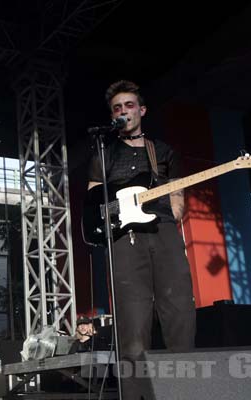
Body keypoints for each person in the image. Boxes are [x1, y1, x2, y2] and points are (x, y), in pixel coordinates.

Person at [87, 80, 196, 399]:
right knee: (131, 322)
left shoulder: (161, 151)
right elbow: (94, 198)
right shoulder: (103, 153)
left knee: (178, 311)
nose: (123, 111)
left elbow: (177, 192)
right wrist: (115, 215)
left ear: (142, 110)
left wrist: (172, 213)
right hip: (124, 239)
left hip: (162, 232)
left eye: (129, 105)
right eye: (117, 108)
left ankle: (183, 391)